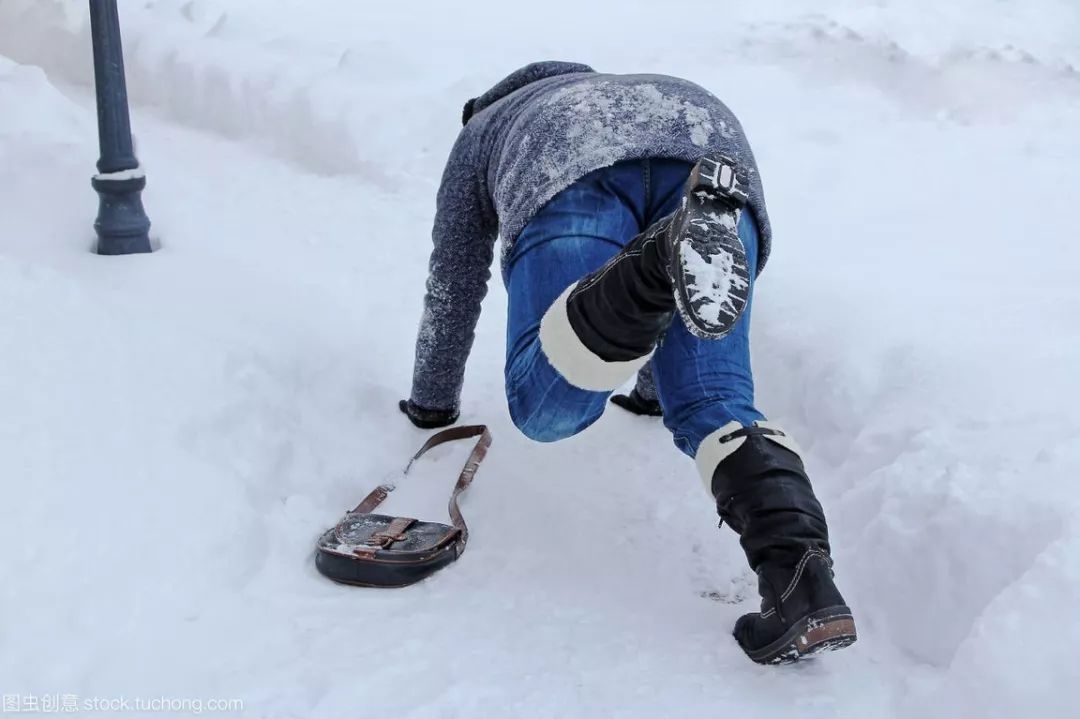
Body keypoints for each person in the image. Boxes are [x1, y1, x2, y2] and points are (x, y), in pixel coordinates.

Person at [400, 61, 857, 664]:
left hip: (568, 147)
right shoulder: (608, 85)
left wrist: (432, 402)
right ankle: (803, 588)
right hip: (708, 137)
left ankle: (652, 262)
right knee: (715, 403)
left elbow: (453, 280)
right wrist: (651, 393)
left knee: (547, 407)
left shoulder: (486, 126)